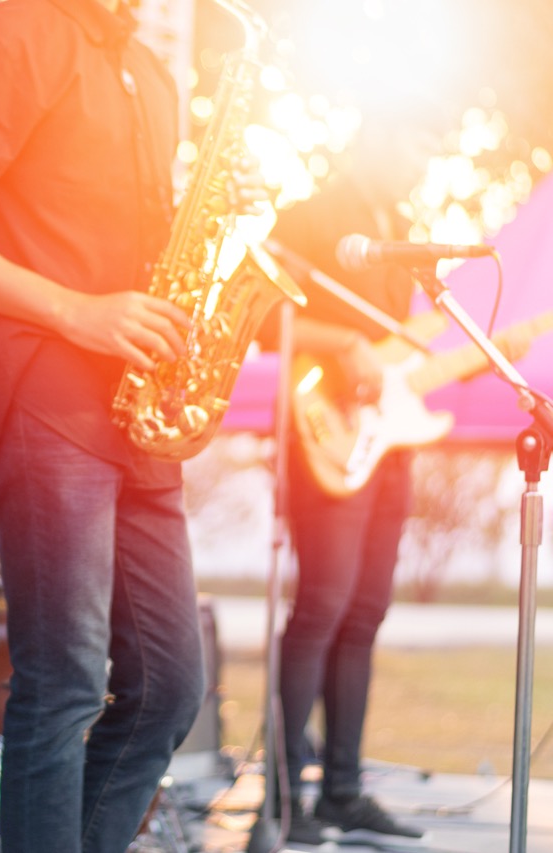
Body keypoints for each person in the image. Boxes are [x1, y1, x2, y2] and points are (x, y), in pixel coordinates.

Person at [0, 0, 209, 849]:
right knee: (62, 687)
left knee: (169, 686)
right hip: (43, 400)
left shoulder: (151, 71)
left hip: (136, 409)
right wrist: (77, 312)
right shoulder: (8, 35)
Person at [263, 121, 436, 844]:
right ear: (375, 138)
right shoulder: (312, 217)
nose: (421, 156)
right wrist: (344, 345)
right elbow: (260, 320)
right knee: (323, 605)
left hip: (385, 443)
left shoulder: (401, 226)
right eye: (413, 138)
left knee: (364, 611)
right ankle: (281, 799)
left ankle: (341, 788)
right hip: (324, 437)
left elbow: (402, 347)